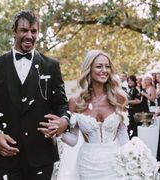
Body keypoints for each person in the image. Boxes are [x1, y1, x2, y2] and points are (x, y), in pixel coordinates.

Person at [0, 10, 70, 180]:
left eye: (33, 31)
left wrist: (64, 121)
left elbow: (62, 105)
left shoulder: (51, 66)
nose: (29, 35)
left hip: (41, 155)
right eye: (24, 30)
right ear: (14, 32)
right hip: (4, 156)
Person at [39, 50, 130, 179]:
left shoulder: (118, 98)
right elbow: (73, 141)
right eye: (99, 66)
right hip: (88, 164)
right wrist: (58, 133)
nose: (104, 70)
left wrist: (131, 157)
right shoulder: (76, 102)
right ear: (89, 69)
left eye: (107, 66)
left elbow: (122, 134)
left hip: (115, 162)